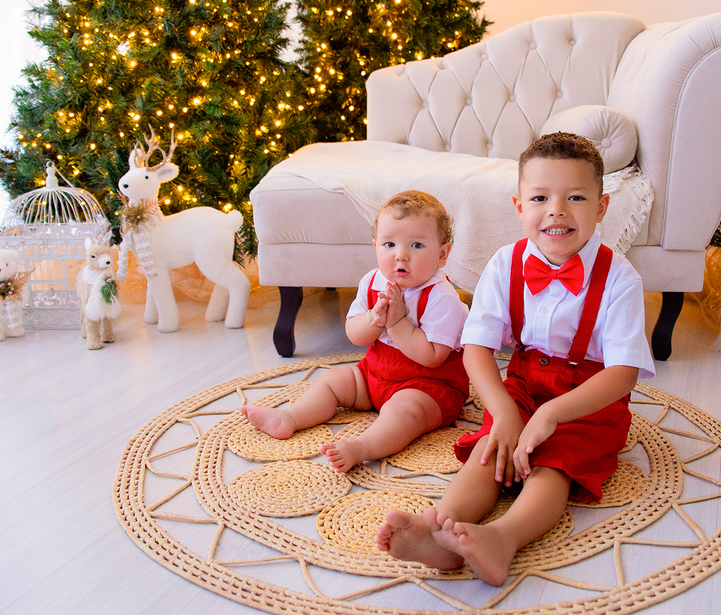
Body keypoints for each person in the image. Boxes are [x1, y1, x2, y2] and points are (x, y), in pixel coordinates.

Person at [376, 132, 655, 585]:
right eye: (540, 197)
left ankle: (503, 539)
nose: (556, 210)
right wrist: (504, 411)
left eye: (576, 197)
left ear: (601, 208)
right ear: (519, 205)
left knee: (551, 467)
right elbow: (478, 348)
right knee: (490, 450)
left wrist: (553, 413)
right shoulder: (506, 263)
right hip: (523, 385)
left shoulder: (620, 278)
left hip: (587, 401)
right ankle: (436, 529)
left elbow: (622, 374)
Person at [240, 190, 470, 473]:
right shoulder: (372, 282)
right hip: (375, 375)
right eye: (389, 244)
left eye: (417, 245)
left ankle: (362, 447)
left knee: (403, 412)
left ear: (442, 253)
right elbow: (354, 334)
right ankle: (291, 417)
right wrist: (374, 318)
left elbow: (433, 356)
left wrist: (397, 323)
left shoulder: (442, 297)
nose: (401, 255)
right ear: (375, 246)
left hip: (428, 386)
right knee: (334, 379)